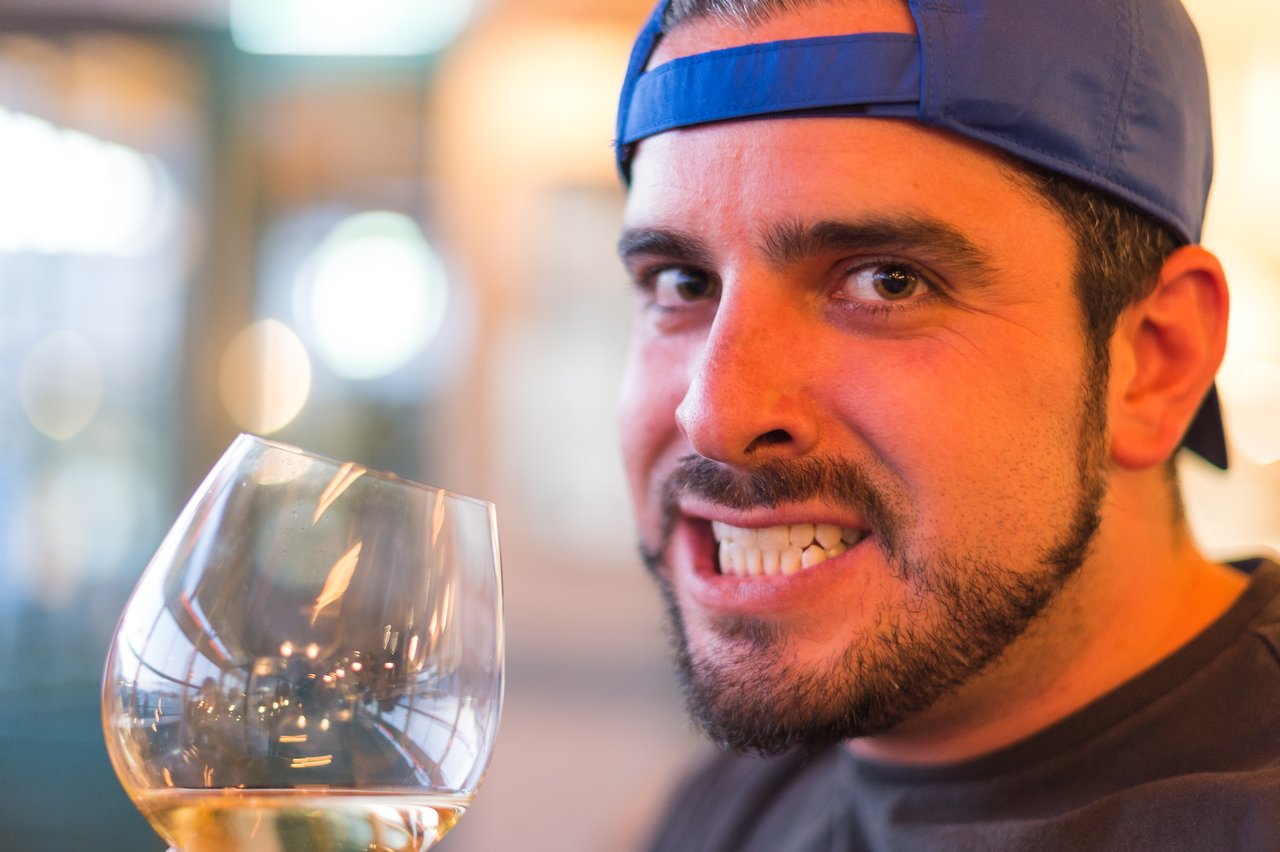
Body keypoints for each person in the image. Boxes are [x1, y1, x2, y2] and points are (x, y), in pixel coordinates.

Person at [612, 0, 1280, 848]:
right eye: (681, 283)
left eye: (886, 281)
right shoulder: (728, 805)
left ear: (1156, 359)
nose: (714, 416)